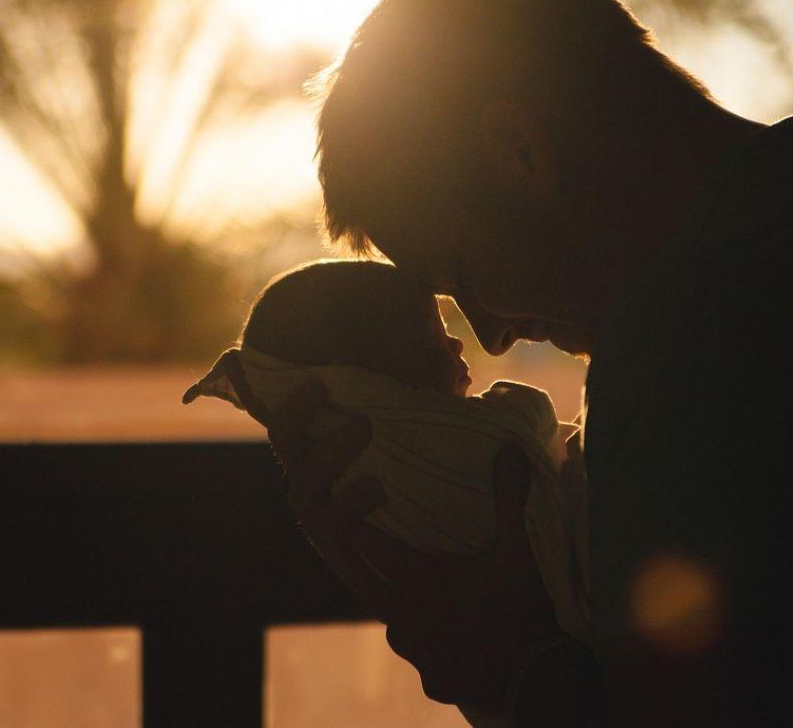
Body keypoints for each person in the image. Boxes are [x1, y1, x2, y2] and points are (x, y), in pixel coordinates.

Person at [258, 0, 793, 726]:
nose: (491, 336)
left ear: (518, 152)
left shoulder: (695, 329)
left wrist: (497, 658)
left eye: (460, 270)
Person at [180, 261, 592, 723]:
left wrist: (525, 671)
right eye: (428, 334)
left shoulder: (357, 476)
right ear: (366, 383)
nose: (473, 337)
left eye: (467, 267)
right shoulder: (430, 452)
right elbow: (528, 432)